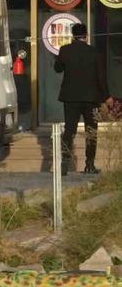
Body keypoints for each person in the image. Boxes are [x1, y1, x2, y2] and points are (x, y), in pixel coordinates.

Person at [54, 23, 110, 175]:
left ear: (73, 35)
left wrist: (59, 58)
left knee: (69, 130)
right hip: (91, 98)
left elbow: (57, 69)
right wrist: (106, 96)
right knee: (91, 130)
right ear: (86, 35)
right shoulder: (94, 52)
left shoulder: (65, 50)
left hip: (71, 98)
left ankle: (64, 161)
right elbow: (101, 77)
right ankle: (89, 164)